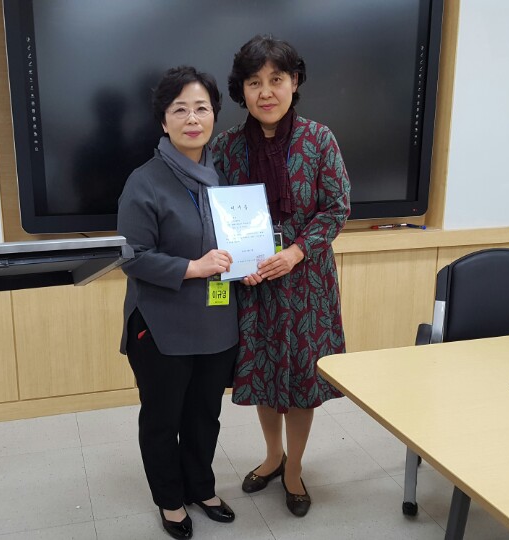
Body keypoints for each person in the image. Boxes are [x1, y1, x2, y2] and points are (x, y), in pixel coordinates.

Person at [211, 35, 351, 518]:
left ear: (294, 82)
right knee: (264, 371)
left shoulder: (319, 139)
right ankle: (273, 455)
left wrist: (295, 252)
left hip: (307, 283)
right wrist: (238, 264)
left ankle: (295, 468)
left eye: (276, 79)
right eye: (254, 82)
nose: (266, 92)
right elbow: (217, 214)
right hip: (254, 286)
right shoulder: (227, 147)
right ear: (242, 90)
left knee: (301, 376)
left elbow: (337, 208)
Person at [117, 66, 237, 540]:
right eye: (180, 109)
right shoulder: (144, 181)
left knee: (205, 414)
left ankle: (201, 488)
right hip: (161, 325)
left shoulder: (225, 177)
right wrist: (194, 267)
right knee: (163, 419)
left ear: (214, 116)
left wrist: (253, 257)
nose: (192, 119)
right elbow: (132, 257)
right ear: (163, 120)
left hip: (217, 321)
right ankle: (170, 500)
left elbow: (240, 237)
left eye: (201, 108)